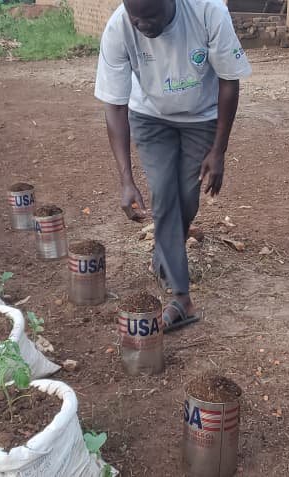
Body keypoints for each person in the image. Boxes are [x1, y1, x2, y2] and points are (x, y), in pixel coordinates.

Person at [95, 0, 251, 331]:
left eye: (151, 16)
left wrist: (219, 151)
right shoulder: (119, 27)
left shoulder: (209, 12)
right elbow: (115, 105)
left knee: (187, 198)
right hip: (150, 117)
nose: (142, 24)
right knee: (165, 196)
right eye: (135, 17)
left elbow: (229, 80)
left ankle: (167, 251)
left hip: (202, 116)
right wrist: (126, 179)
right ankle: (183, 298)